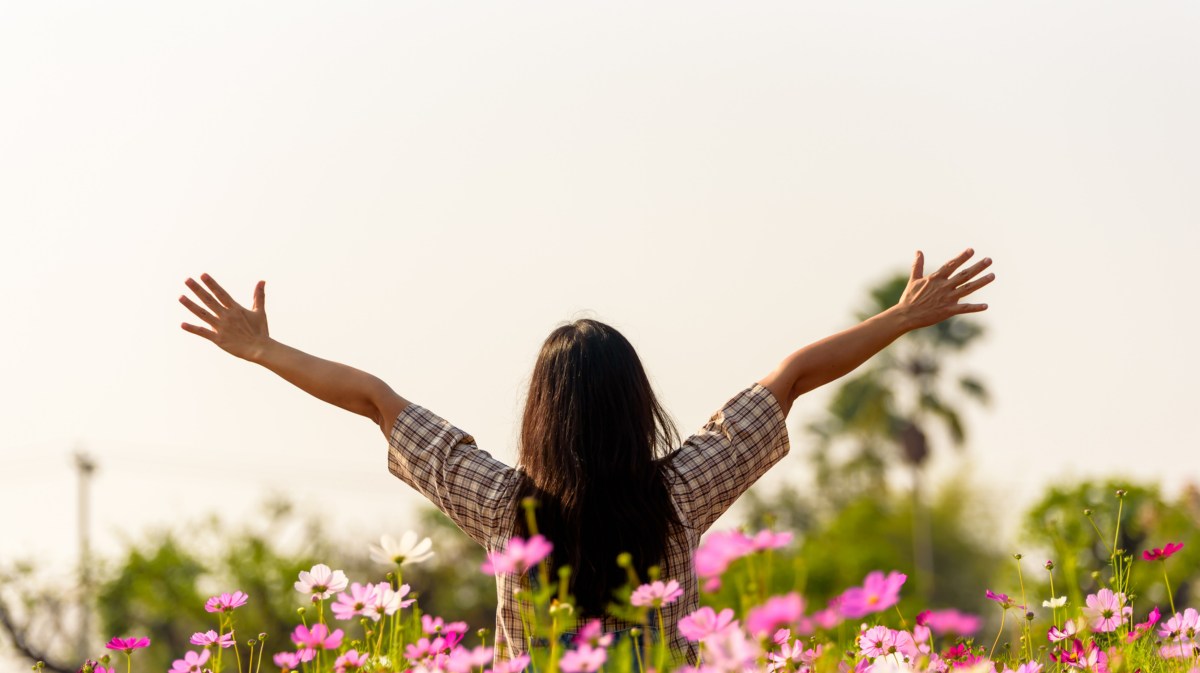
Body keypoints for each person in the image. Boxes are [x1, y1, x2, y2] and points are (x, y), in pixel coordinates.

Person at [179, 248, 993, 659]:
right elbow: (791, 380)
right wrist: (897, 321)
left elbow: (375, 400)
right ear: (638, 406)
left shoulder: (502, 507)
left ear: (540, 416)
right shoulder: (681, 493)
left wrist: (264, 351)